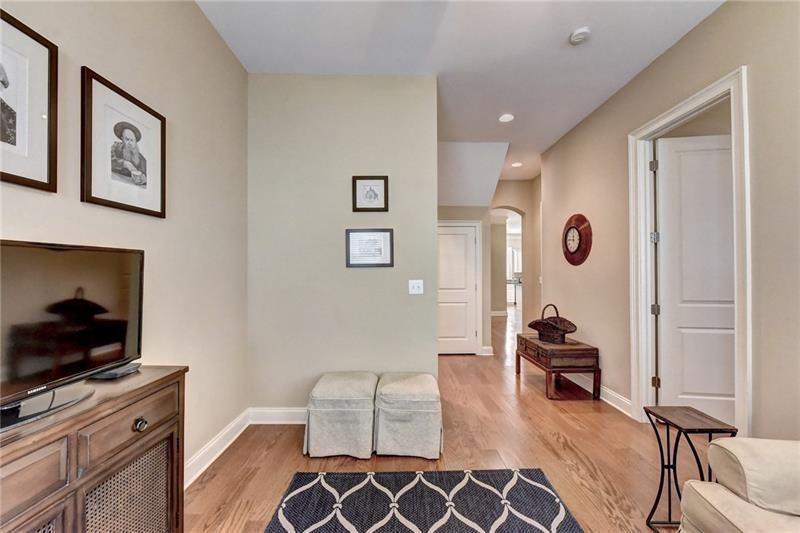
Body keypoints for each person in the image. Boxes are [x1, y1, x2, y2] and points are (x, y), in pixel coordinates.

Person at [110, 121, 147, 186]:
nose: (129, 143)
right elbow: (108, 161)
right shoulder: (115, 147)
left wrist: (144, 179)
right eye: (127, 139)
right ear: (122, 139)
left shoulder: (141, 159)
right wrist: (125, 164)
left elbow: (149, 176)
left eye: (132, 140)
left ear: (135, 142)